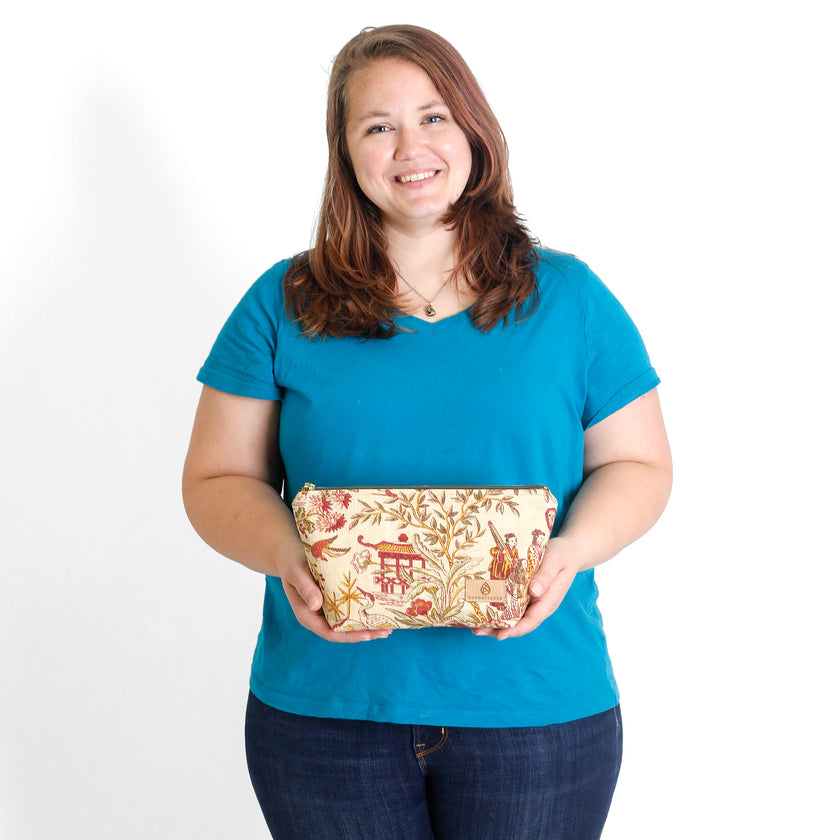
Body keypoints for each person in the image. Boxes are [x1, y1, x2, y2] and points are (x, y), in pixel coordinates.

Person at [182, 23, 672, 840]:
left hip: (535, 711)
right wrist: (288, 558)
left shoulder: (572, 299)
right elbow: (215, 479)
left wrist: (572, 552)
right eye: (379, 126)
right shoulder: (281, 302)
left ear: (473, 129)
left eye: (434, 117)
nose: (411, 148)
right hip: (327, 717)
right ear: (346, 153)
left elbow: (640, 465)